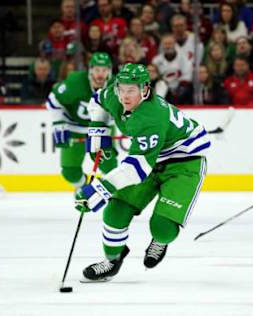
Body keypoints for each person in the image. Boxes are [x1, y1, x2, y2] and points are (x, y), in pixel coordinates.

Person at [75, 63, 210, 282]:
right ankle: (112, 261)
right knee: (116, 210)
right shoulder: (114, 94)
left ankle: (160, 240)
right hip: (151, 158)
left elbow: (136, 170)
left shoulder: (151, 116)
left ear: (145, 90)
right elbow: (97, 100)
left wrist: (102, 188)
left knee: (162, 228)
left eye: (132, 90)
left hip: (184, 163)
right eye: (122, 88)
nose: (125, 95)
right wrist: (97, 130)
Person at [46, 52, 118, 190]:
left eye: (104, 70)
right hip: (75, 128)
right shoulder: (75, 81)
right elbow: (53, 99)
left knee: (110, 168)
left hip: (102, 128)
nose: (100, 74)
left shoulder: (117, 86)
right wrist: (58, 122)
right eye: (97, 70)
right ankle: (87, 188)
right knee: (70, 173)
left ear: (109, 71)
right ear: (90, 70)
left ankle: (111, 194)